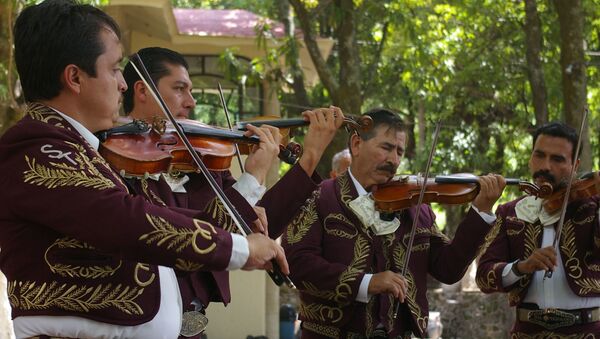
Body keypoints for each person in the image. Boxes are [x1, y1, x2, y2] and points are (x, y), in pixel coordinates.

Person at [0, 1, 289, 338]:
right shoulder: (39, 148)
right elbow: (124, 220)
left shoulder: (74, 147)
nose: (122, 84)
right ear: (75, 77)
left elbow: (159, 228)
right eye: (115, 69)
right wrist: (240, 249)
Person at [119, 47, 343, 336]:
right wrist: (252, 176)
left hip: (193, 327)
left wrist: (310, 156)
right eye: (179, 89)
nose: (192, 101)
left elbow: (253, 228)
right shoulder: (118, 163)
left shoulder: (201, 161)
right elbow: (188, 236)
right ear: (142, 90)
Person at [282, 108, 506, 338]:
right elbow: (298, 264)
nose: (394, 160)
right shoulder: (318, 196)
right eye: (386, 148)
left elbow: (448, 269)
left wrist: (481, 211)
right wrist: (367, 283)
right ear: (357, 144)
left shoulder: (417, 206)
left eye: (400, 151)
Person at [476, 121, 600, 337]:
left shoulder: (593, 206)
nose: (546, 166)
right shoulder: (510, 212)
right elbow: (483, 276)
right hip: (527, 332)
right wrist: (521, 267)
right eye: (539, 155)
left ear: (575, 165)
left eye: (558, 159)